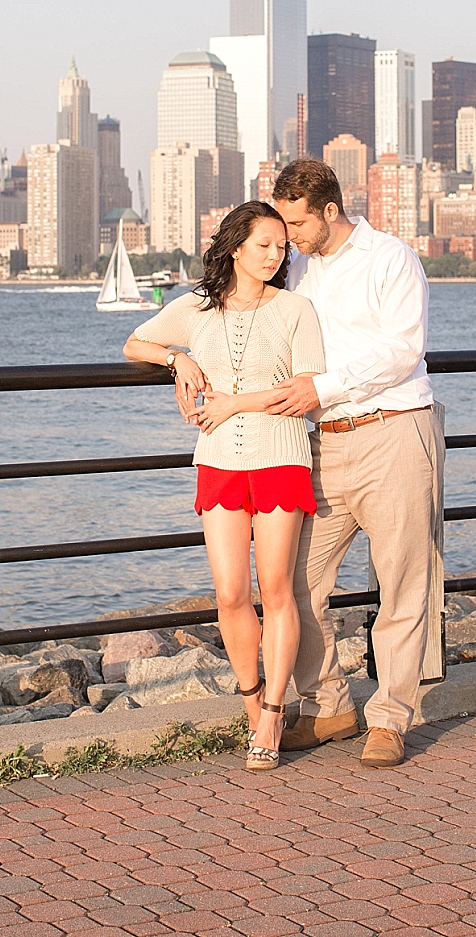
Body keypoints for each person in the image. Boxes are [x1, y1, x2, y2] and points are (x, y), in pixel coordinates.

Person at [123, 201, 325, 771]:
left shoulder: (296, 309)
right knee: (231, 592)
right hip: (217, 462)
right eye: (263, 245)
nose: (275, 255)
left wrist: (236, 402)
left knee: (277, 589)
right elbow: (133, 343)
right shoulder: (197, 307)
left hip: (281, 459)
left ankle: (275, 712)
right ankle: (251, 699)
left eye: (282, 247)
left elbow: (307, 384)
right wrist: (177, 360)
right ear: (236, 247)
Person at [268, 158, 445, 768]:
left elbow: (403, 351)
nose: (288, 234)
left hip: (393, 433)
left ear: (329, 211)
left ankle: (391, 717)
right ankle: (330, 704)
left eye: (296, 223)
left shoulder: (390, 258)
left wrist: (325, 387)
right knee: (296, 582)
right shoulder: (299, 272)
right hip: (322, 443)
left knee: (402, 581)